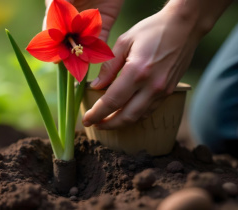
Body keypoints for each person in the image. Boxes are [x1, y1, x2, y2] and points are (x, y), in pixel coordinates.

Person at [44, 0, 236, 155]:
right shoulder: (76, 45)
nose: (77, 49)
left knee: (220, 122)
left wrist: (185, 17)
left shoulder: (77, 45)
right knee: (220, 125)